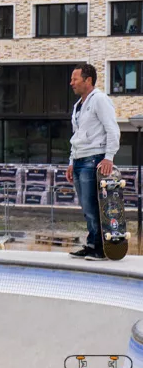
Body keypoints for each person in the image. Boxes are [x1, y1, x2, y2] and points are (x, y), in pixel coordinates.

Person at [66, 63, 120, 261]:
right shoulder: (78, 106)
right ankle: (91, 244)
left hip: (93, 158)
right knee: (86, 206)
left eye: (75, 79)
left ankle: (100, 247)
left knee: (93, 205)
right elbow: (77, 135)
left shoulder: (100, 100)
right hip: (80, 159)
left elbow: (113, 129)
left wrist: (108, 157)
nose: (71, 83)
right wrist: (71, 161)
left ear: (88, 80)